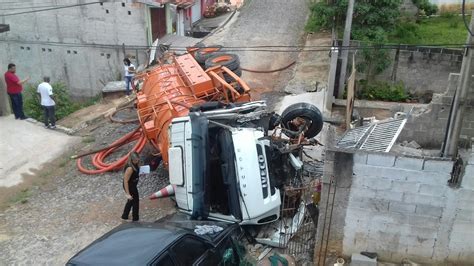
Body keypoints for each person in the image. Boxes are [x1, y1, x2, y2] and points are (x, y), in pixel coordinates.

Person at [121, 152, 140, 222]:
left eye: (138, 160)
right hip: (129, 186)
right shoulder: (130, 168)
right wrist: (127, 193)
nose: (137, 161)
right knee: (135, 201)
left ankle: (125, 216)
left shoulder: (136, 164)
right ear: (132, 160)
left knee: (131, 201)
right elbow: (125, 181)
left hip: (133, 184)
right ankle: (135, 218)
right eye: (135, 160)